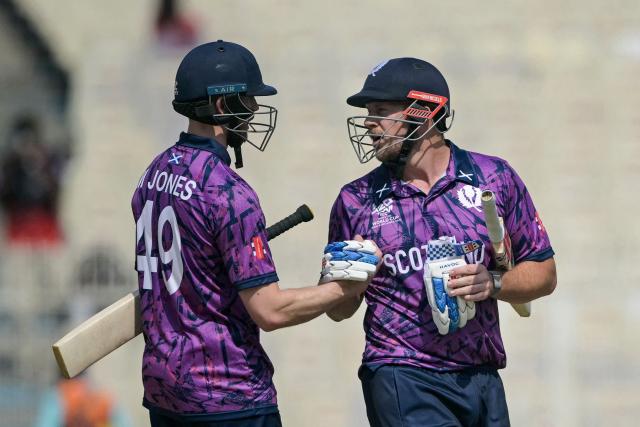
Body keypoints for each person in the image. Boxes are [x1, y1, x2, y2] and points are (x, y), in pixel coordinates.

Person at [131, 40, 379, 427]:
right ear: (220, 106)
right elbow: (270, 310)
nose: (253, 111)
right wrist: (346, 288)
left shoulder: (155, 172)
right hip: (229, 398)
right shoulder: (229, 192)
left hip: (165, 392)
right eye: (246, 100)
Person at [325, 57, 557, 426]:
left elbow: (544, 274)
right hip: (401, 372)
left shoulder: (493, 177)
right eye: (368, 112)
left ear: (424, 112)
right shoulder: (355, 200)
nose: (369, 123)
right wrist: (349, 282)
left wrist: (493, 282)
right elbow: (337, 310)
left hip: (481, 375)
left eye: (381, 111)